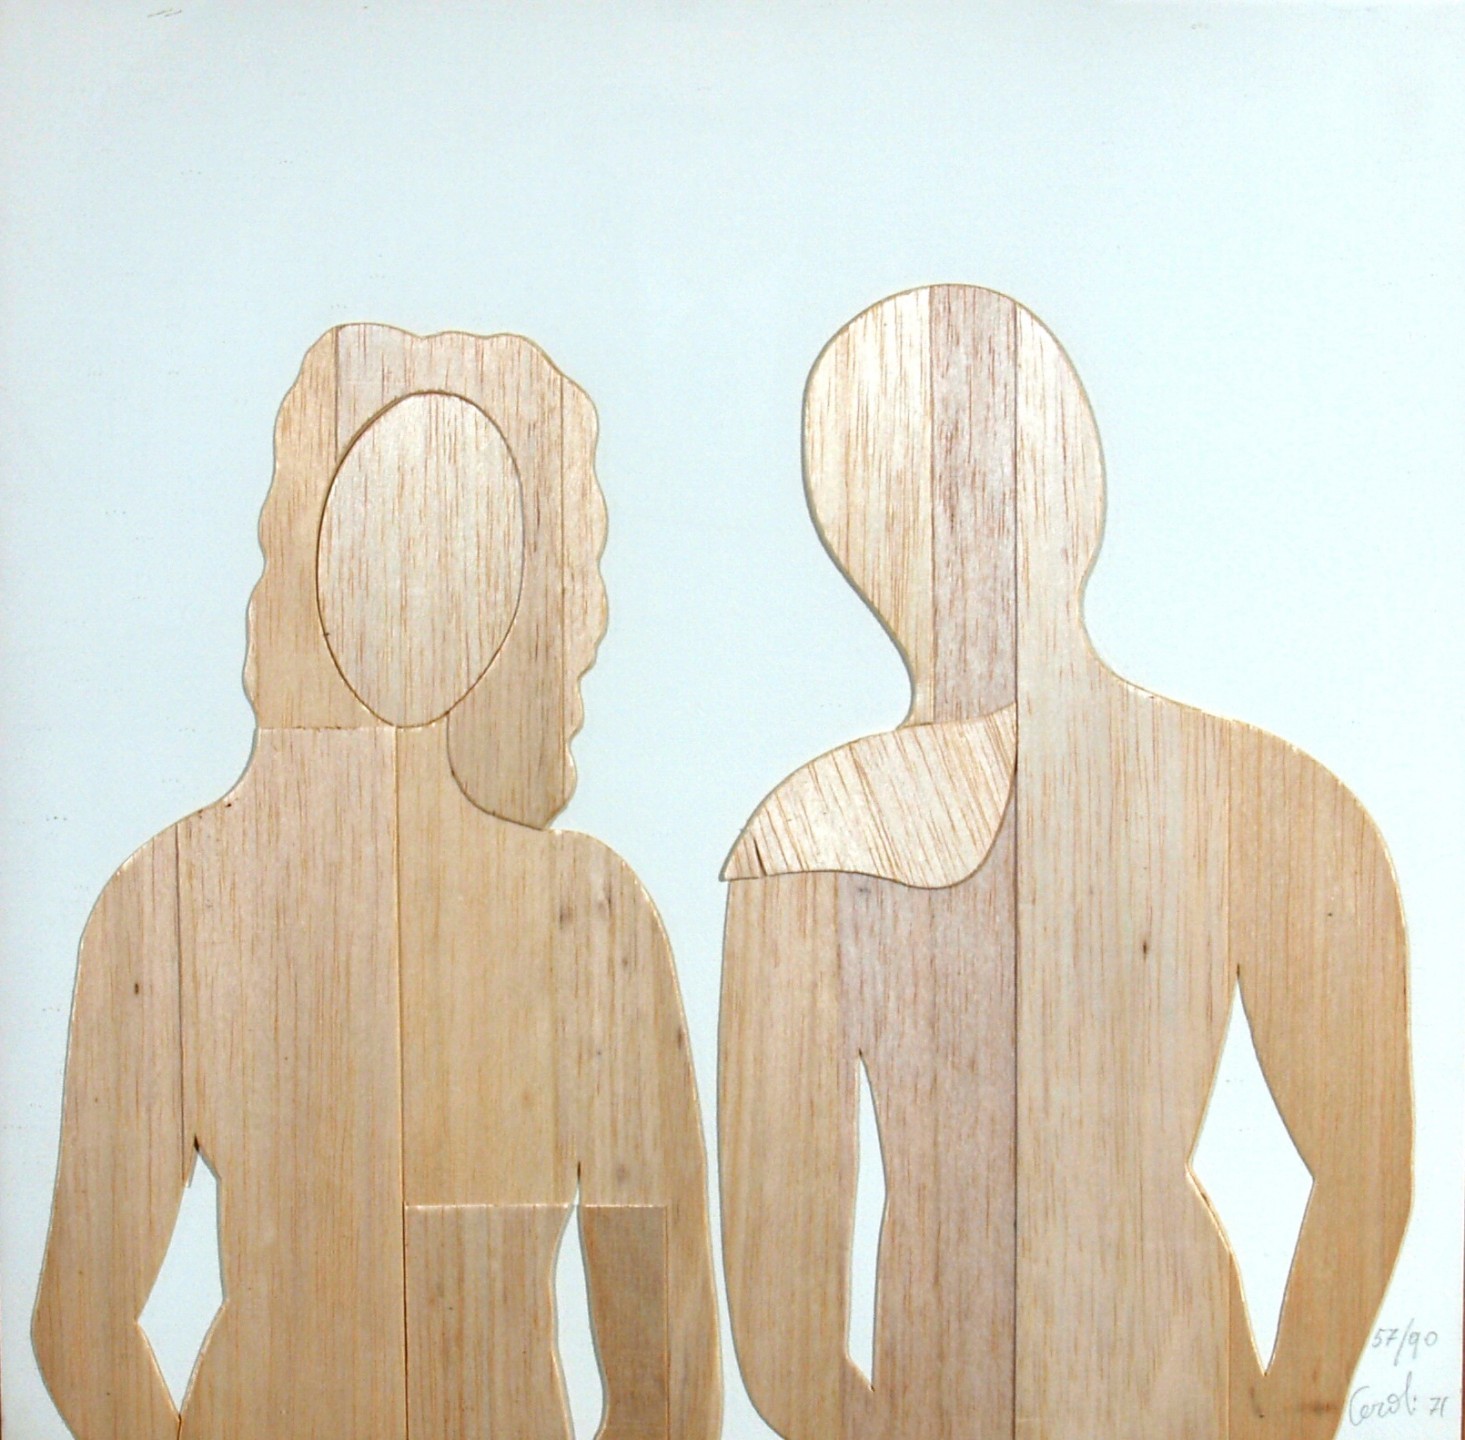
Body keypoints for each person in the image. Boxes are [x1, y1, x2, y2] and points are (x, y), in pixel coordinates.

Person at [719, 285, 1410, 1439]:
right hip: (1167, 1389)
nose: (962, 541)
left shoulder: (808, 841)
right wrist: (1285, 1413)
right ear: (1078, 485)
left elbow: (782, 1334)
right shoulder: (1275, 801)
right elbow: (1365, 1176)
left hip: (998, 1389)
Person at [34, 325, 720, 1440]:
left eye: (466, 549)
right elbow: (81, 1322)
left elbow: (667, 1377)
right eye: (388, 536)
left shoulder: (597, 921)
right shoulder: (164, 904)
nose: (423, 588)